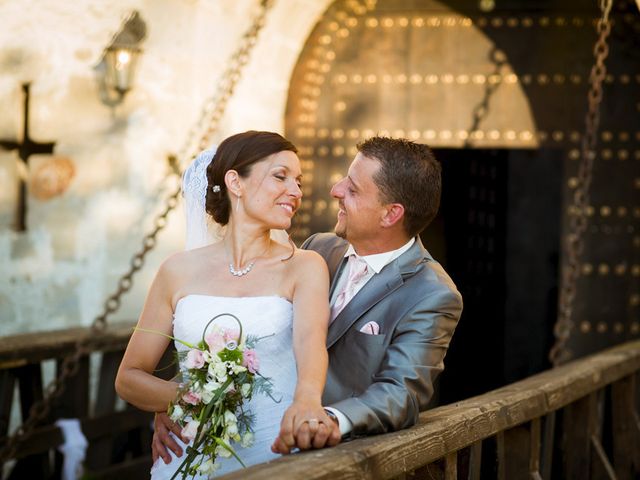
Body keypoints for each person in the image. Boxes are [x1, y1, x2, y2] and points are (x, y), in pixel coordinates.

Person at [154, 136, 462, 459]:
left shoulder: (432, 294)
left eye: (353, 190)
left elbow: (401, 394)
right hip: (253, 439)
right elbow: (255, 332)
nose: (336, 190)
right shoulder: (318, 249)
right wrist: (179, 396)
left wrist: (328, 419)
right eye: (345, 179)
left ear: (390, 215)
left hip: (340, 459)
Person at [115, 131, 339, 478]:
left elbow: (311, 345)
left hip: (273, 451)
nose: (295, 192)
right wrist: (186, 397)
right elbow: (129, 378)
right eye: (281, 177)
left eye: (298, 181)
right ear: (235, 182)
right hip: (188, 451)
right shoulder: (176, 271)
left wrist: (309, 402)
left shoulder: (304, 266)